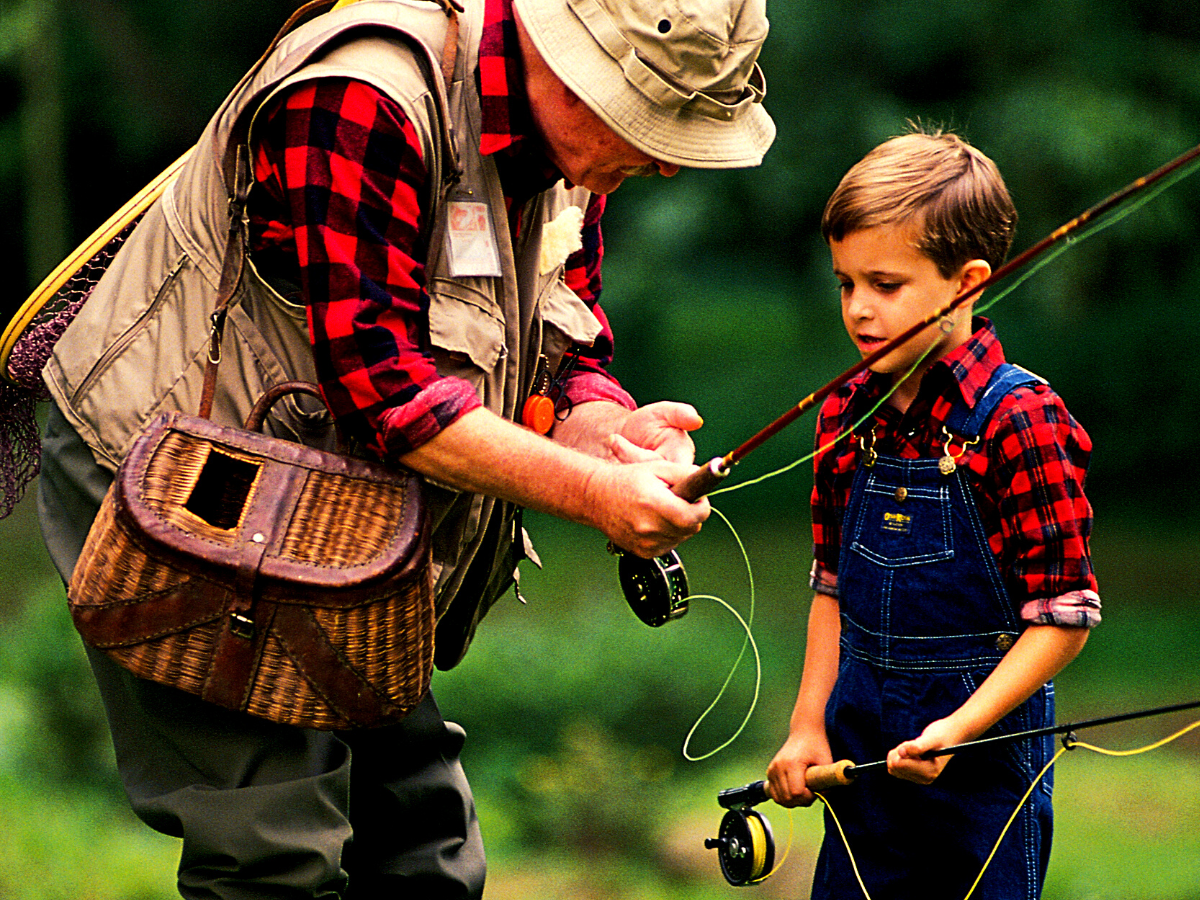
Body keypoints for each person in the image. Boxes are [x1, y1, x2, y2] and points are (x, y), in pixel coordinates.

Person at [34, 0, 775, 896]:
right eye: (650, 123)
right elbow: (382, 390)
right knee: (274, 854)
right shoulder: (362, 99)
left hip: (330, 508)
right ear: (570, 65)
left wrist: (610, 435)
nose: (666, 161)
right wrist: (592, 495)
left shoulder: (573, 151)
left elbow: (564, 350)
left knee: (425, 848)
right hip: (182, 489)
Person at [764, 129, 1101, 899]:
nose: (859, 309)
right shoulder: (844, 413)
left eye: (885, 285)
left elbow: (1064, 617)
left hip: (982, 776)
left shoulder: (1019, 419)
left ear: (967, 281)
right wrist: (807, 724)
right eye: (846, 284)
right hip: (859, 762)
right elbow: (830, 586)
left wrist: (962, 727)